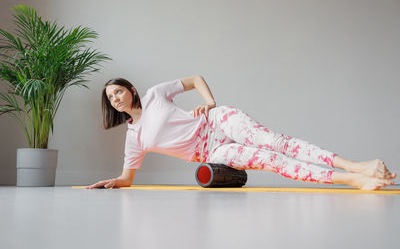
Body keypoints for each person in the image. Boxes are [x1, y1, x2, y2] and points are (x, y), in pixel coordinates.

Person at [86, 75, 397, 191]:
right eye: (110, 98)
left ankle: (356, 165)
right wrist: (112, 182)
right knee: (275, 162)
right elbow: (128, 177)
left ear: (131, 90)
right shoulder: (133, 137)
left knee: (279, 143)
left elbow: (194, 79)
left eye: (118, 91)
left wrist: (209, 104)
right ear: (112, 105)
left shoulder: (155, 94)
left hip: (219, 122)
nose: (115, 98)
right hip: (212, 153)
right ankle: (355, 179)